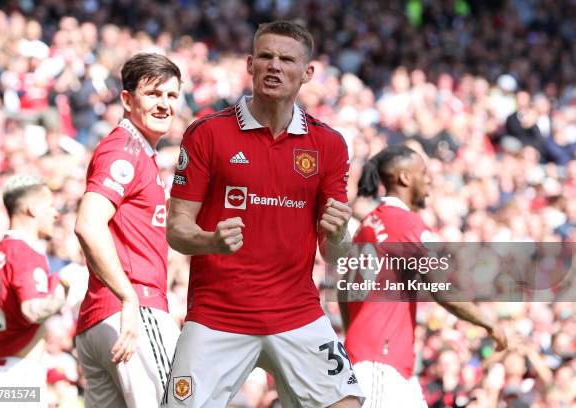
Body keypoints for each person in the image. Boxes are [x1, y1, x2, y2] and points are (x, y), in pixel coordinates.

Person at [166, 21, 363, 407]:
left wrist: (340, 234)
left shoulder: (329, 144)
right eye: (267, 57)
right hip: (217, 314)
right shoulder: (207, 133)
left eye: (287, 59)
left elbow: (334, 254)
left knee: (347, 403)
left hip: (297, 313)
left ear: (307, 73)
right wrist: (211, 241)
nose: (275, 66)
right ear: (250, 64)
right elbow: (176, 230)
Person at [342, 145, 508, 407]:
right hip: (380, 362)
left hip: (379, 358)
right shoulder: (407, 224)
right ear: (405, 178)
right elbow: (443, 291)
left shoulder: (368, 224)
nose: (429, 179)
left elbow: (345, 292)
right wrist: (490, 325)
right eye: (423, 172)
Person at [74, 52, 182, 408]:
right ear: (126, 99)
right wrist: (129, 297)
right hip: (135, 313)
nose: (165, 104)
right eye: (154, 94)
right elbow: (88, 225)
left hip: (101, 319)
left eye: (171, 95)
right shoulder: (125, 150)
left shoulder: (140, 152)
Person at [0, 174, 66, 407]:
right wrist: (65, 286)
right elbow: (33, 310)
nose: (55, 213)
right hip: (18, 377)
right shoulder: (26, 253)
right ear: (31, 209)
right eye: (50, 206)